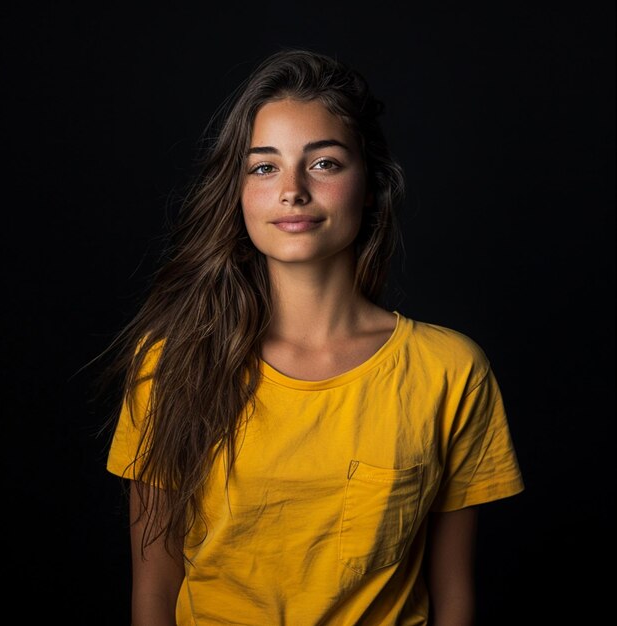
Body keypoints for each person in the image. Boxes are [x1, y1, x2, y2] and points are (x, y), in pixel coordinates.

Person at [104, 48, 524, 626]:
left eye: (324, 163)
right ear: (239, 192)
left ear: (371, 185)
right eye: (264, 166)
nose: (293, 190)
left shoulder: (449, 370)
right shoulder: (171, 363)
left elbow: (453, 597)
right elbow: (153, 592)